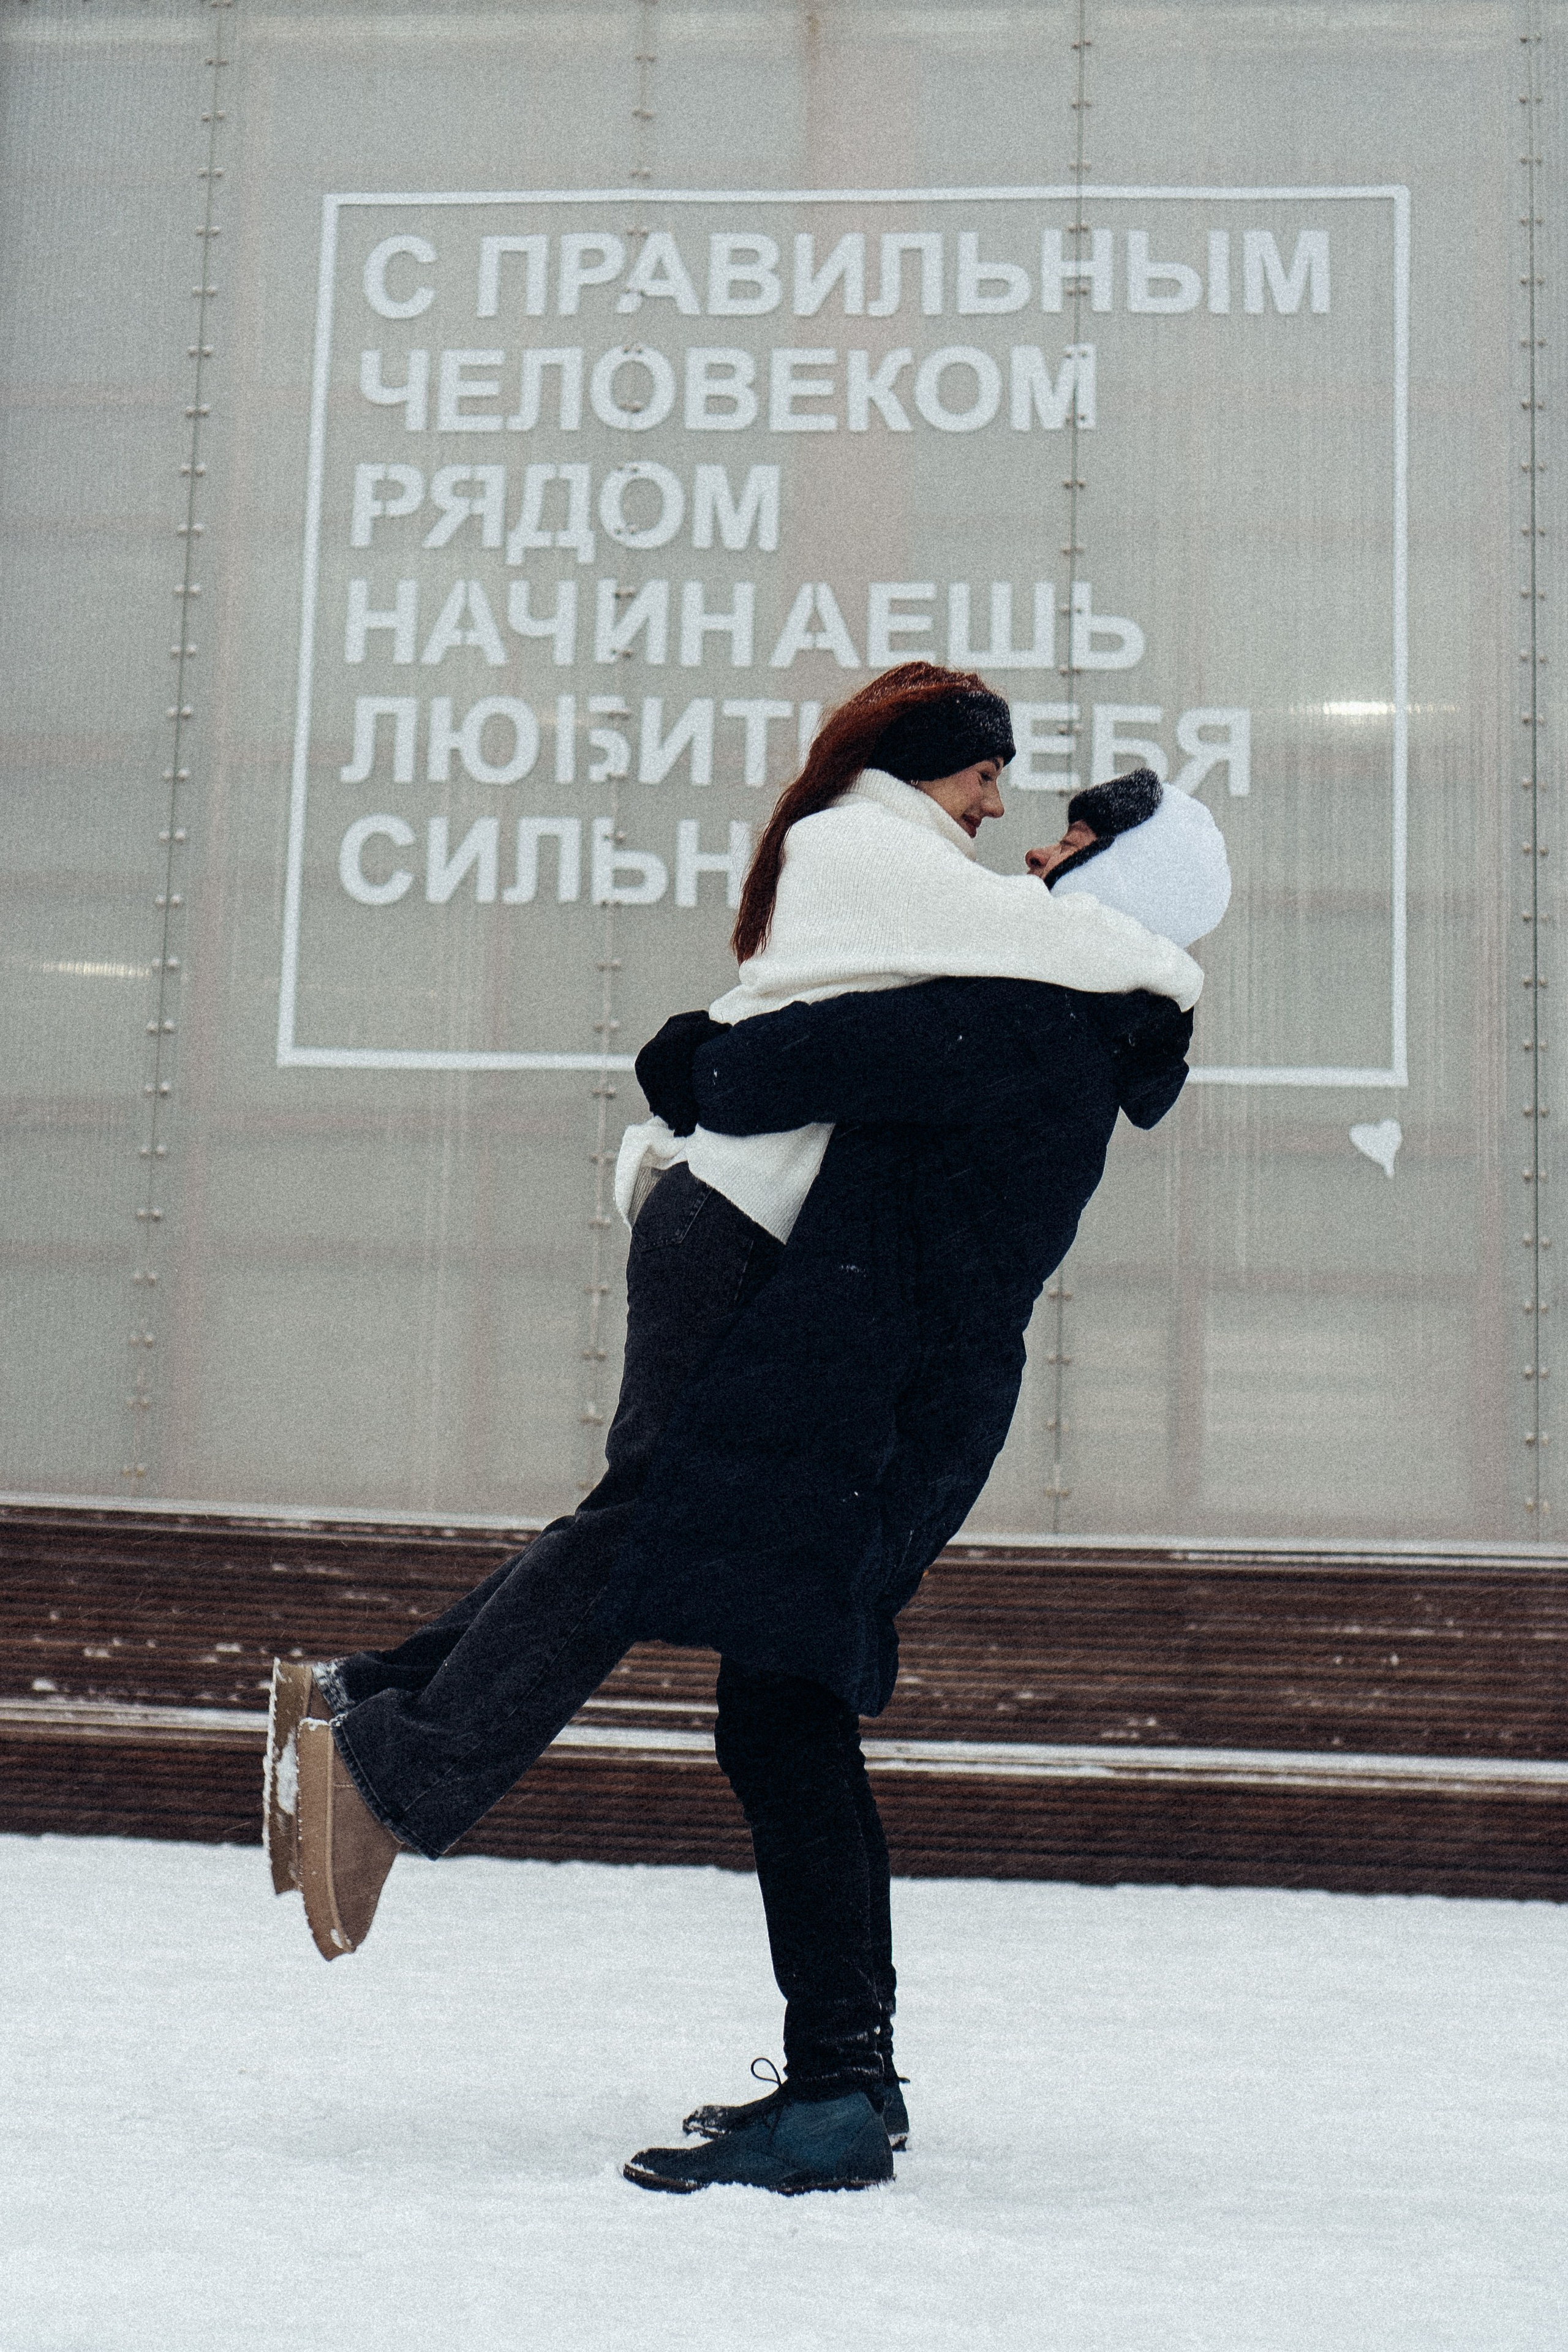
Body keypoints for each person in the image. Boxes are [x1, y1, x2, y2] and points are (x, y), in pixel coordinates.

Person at [264, 663, 1224, 2195]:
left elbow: (740, 1066)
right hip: (876, 1382)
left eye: (1063, 852)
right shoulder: (1058, 1020)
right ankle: (842, 2084)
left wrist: (691, 1060)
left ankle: (390, 1758)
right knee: (767, 1699)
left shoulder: (1031, 1023)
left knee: (733, 1650)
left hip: (873, 1396)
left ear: (1119, 892)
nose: (1023, 856)